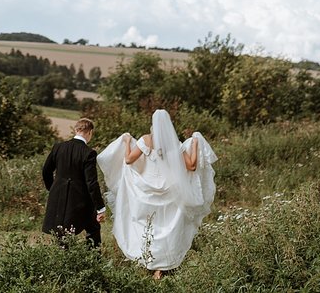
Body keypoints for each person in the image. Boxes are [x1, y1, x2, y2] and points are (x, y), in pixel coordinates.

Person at [96, 109, 217, 279]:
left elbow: (129, 160)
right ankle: (161, 267)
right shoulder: (173, 143)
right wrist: (195, 144)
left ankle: (146, 259)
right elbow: (191, 166)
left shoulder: (146, 139)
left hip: (146, 189)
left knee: (145, 225)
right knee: (166, 226)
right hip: (169, 190)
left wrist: (126, 142)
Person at [42, 117, 107, 247]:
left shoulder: (58, 147)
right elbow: (91, 183)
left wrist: (53, 188)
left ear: (76, 130)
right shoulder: (89, 153)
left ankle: (63, 257)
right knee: (93, 228)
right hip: (81, 200)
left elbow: (46, 171)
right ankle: (93, 259)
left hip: (59, 196)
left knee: (62, 230)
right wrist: (100, 207)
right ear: (90, 132)